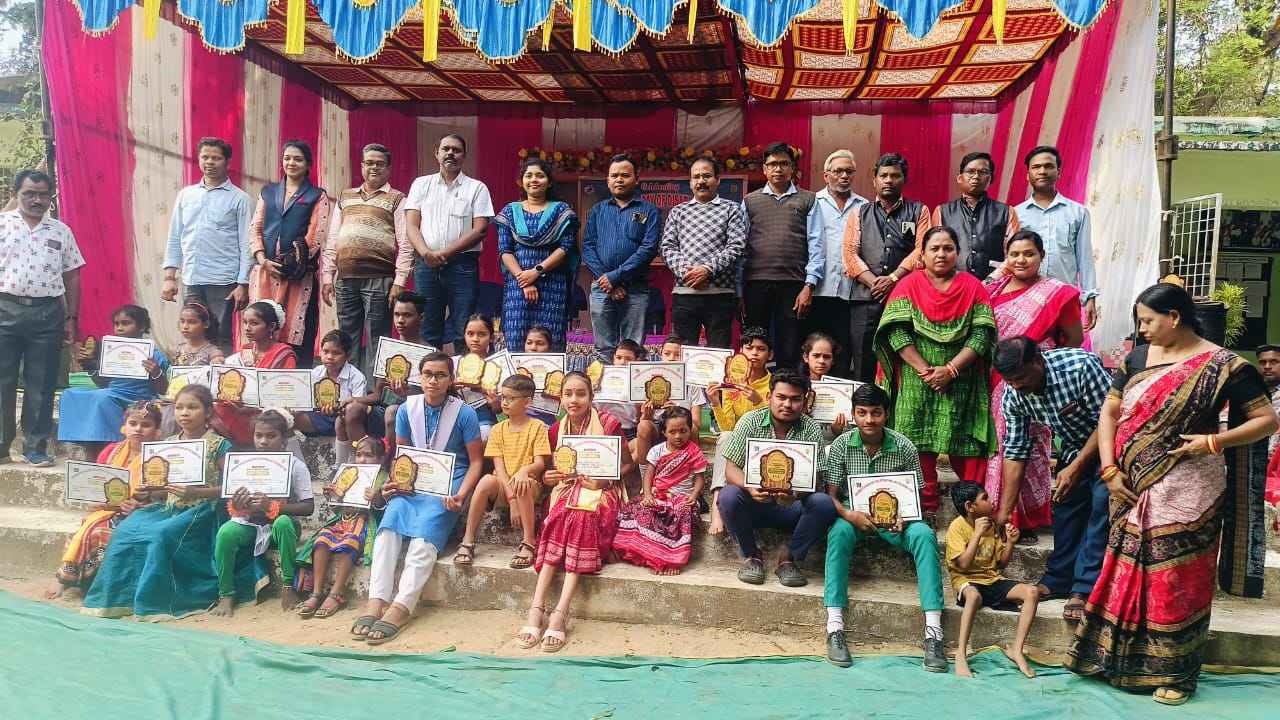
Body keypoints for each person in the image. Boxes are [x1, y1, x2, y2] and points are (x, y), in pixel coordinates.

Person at [1066, 283, 1277, 705]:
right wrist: (1108, 469)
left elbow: (1267, 420)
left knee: (1175, 577)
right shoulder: (1137, 358)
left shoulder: (1224, 366)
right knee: (1125, 570)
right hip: (1128, 483)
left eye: (1148, 321)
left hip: (1190, 487)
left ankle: (1175, 673)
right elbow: (1110, 412)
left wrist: (1213, 442)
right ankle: (1115, 659)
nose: (1141, 329)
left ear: (1175, 317)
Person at [352, 353, 484, 645]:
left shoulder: (464, 414)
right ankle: (376, 600)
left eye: (440, 375)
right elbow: (403, 456)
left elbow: (476, 461)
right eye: (428, 374)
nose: (433, 380)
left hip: (449, 482)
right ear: (419, 377)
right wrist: (395, 483)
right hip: (414, 482)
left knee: (423, 539)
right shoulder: (406, 410)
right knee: (388, 528)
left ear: (451, 380)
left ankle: (402, 606)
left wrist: (461, 494)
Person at [82, 385, 234, 620]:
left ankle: (155, 601)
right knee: (126, 530)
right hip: (167, 507)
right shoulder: (167, 444)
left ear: (208, 412)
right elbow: (162, 489)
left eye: (192, 407)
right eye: (179, 407)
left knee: (161, 535)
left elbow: (232, 488)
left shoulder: (219, 445)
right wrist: (148, 493)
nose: (184, 413)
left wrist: (198, 492)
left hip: (203, 510)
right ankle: (120, 600)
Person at [822, 383, 945, 671]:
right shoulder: (841, 445)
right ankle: (834, 626)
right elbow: (830, 495)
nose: (869, 420)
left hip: (897, 521)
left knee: (924, 535)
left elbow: (916, 495)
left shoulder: (904, 446)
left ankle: (934, 632)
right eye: (862, 413)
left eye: (876, 413)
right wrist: (849, 515)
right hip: (854, 517)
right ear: (853, 414)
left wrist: (908, 517)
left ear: (886, 414)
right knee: (838, 532)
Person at [873, 226, 995, 514]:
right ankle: (922, 507)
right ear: (923, 254)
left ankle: (974, 509)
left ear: (958, 253)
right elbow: (896, 332)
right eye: (935, 249)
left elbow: (982, 335)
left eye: (948, 248)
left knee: (966, 440)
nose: (941, 254)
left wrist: (951, 370)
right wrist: (927, 371)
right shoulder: (908, 285)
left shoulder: (973, 287)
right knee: (916, 440)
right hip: (916, 379)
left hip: (962, 379)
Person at [992, 338, 1111, 620]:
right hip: (1074, 447)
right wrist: (1005, 512)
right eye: (1010, 381)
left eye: (1021, 378)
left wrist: (1077, 467)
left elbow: (1111, 419)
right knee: (1065, 507)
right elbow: (1016, 452)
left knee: (1101, 503)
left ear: (1038, 361)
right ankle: (1058, 579)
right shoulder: (1014, 394)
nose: (1016, 386)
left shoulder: (1080, 367)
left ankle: (1084, 588)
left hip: (1113, 445)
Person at [516, 372, 635, 653]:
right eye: (568, 394)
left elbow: (628, 465)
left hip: (603, 491)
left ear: (591, 397)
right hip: (568, 490)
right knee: (562, 514)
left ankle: (560, 611)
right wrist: (548, 478)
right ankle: (536, 607)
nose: (574, 400)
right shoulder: (557, 429)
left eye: (580, 394)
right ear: (560, 397)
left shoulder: (608, 424)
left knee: (581, 516)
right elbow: (553, 471)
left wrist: (604, 481)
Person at [983, 230, 1084, 540]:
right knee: (1001, 445)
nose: (1021, 260)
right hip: (997, 377)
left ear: (1041, 256)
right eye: (1014, 254)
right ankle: (999, 511)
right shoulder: (994, 290)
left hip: (1036, 379)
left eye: (1029, 254)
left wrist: (1041, 365)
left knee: (1033, 444)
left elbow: (1075, 339)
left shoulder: (1057, 293)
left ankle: (1026, 518)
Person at [718, 370, 837, 587]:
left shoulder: (810, 428)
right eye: (781, 397)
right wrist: (750, 488)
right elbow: (731, 468)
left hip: (792, 507)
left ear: (805, 401)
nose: (787, 405)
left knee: (824, 503)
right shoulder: (750, 421)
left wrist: (795, 494)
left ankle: (788, 558)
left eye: (795, 399)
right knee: (728, 496)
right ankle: (752, 555)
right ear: (769, 397)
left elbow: (817, 478)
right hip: (755, 504)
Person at [0, 169, 83, 466]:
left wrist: (71, 317)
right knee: (2, 379)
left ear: (51, 197)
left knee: (43, 381)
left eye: (43, 195)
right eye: (29, 194)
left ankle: (35, 447)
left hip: (48, 313)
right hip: (4, 308)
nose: (37, 200)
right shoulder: (2, 224)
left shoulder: (61, 231)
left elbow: (72, 275)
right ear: (16, 194)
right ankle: (1, 445)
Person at [47, 401, 161, 599]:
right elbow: (97, 485)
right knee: (89, 527)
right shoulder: (111, 451)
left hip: (144, 511)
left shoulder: (160, 456)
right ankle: (68, 578)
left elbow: (163, 494)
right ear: (124, 427)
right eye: (133, 423)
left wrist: (140, 505)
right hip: (107, 509)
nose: (138, 429)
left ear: (157, 431)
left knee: (101, 530)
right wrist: (101, 501)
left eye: (146, 425)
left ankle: (95, 583)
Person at [321, 143, 412, 376]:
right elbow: (332, 239)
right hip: (345, 279)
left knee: (377, 338)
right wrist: (327, 276)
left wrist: (400, 281)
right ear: (362, 166)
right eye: (369, 163)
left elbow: (406, 243)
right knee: (346, 339)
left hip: (379, 279)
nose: (374, 167)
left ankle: (373, 391)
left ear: (388, 169)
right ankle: (347, 388)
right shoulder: (345, 197)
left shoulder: (397, 199)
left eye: (380, 164)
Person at [212, 410, 315, 616]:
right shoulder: (244, 465)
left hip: (282, 528)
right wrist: (237, 502)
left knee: (283, 522)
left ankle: (288, 586)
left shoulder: (295, 466)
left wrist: (272, 506)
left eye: (271, 436)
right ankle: (226, 594)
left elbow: (308, 506)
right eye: (258, 435)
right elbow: (233, 501)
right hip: (250, 525)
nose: (263, 441)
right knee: (225, 532)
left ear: (284, 439)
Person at [842, 153, 932, 382]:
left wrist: (892, 279)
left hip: (905, 297)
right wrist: (876, 284)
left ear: (904, 179)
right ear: (874, 180)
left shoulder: (919, 211)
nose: (889, 180)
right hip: (865, 298)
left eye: (895, 175)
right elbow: (850, 254)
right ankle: (863, 404)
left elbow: (922, 250)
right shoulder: (859, 212)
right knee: (862, 359)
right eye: (883, 175)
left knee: (902, 358)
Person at [405, 134, 494, 352]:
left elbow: (480, 229)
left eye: (456, 150)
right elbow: (411, 225)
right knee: (427, 327)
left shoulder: (476, 188)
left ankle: (466, 373)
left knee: (464, 327)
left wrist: (444, 253)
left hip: (462, 266)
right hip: (427, 265)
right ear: (436, 153)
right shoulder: (421, 185)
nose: (451, 153)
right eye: (446, 149)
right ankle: (430, 372)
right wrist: (426, 253)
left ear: (464, 156)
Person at [161, 137, 252, 349]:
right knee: (192, 332)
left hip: (224, 281)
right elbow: (175, 237)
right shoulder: (186, 195)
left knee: (220, 335)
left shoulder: (240, 199)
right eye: (205, 157)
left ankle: (222, 371)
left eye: (216, 158)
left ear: (227, 162)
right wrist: (169, 278)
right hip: (192, 278)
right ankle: (193, 371)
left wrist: (243, 284)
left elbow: (246, 244)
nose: (209, 162)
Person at [945, 481, 1040, 679]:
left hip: (991, 579)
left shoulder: (991, 525)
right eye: (985, 498)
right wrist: (977, 534)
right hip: (966, 580)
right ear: (970, 507)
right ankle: (961, 653)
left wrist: (1011, 543)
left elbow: (1000, 565)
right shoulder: (957, 527)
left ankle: (1016, 650)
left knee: (1032, 592)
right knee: (973, 596)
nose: (992, 501)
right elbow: (963, 565)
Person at [456, 374, 551, 571]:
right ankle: (468, 540)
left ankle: (528, 542)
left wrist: (524, 470)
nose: (505, 402)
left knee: (522, 482)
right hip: (504, 487)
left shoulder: (537, 427)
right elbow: (498, 468)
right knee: (485, 481)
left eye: (511, 398)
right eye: (503, 397)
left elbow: (539, 463)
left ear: (527, 402)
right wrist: (512, 500)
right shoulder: (498, 429)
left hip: (529, 487)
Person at [741, 142, 823, 368]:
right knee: (754, 346)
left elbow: (816, 244)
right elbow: (740, 245)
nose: (778, 169)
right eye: (772, 164)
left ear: (792, 168)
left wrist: (809, 285)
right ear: (764, 169)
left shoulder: (808, 199)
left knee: (790, 346)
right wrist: (740, 289)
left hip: (793, 285)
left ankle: (787, 389)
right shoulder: (750, 201)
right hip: (755, 283)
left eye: (784, 164)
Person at [248, 140, 330, 360]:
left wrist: (291, 264)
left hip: (297, 276)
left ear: (308, 164)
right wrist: (263, 260)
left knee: (297, 334)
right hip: (266, 272)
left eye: (298, 159)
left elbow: (316, 235)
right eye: (287, 158)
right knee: (262, 328)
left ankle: (295, 374)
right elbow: (255, 227)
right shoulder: (268, 192)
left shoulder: (317, 195)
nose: (291, 163)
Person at [295, 435, 387, 619]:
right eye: (359, 455)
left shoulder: (383, 478)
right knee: (322, 540)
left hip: (365, 522)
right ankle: (316, 592)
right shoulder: (348, 474)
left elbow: (385, 510)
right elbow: (337, 508)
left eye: (369, 455)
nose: (362, 460)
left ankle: (336, 593)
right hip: (342, 520)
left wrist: (377, 499)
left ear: (381, 459)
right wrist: (333, 496)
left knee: (349, 542)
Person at [58, 305, 170, 456]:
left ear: (142, 327)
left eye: (126, 323)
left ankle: (106, 444)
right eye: (116, 324)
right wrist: (90, 365)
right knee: (70, 394)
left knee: (103, 398)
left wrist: (156, 372)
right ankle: (83, 440)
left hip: (140, 396)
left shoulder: (153, 354)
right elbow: (103, 383)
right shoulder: (112, 352)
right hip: (114, 392)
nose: (120, 328)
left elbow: (164, 390)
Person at [495, 158, 580, 351]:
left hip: (552, 285)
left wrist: (536, 271)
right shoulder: (510, 211)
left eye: (540, 175)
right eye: (529, 175)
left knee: (551, 338)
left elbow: (566, 248)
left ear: (549, 182)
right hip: (518, 286)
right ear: (521, 181)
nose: (534, 179)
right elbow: (505, 250)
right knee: (517, 336)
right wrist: (524, 280)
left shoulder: (562, 211)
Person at [582, 155, 661, 360]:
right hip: (602, 287)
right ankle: (606, 381)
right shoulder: (597, 211)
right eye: (614, 175)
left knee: (632, 349)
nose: (619, 179)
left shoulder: (649, 211)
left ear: (636, 179)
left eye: (625, 175)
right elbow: (588, 247)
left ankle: (631, 382)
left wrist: (616, 277)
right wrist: (607, 281)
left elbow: (648, 249)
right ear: (608, 180)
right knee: (603, 348)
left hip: (636, 287)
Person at [661, 157, 746, 348]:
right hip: (685, 293)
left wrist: (707, 270)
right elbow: (667, 247)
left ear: (718, 180)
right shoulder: (678, 211)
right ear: (690, 182)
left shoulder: (731, 209)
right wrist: (689, 273)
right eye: (696, 177)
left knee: (718, 353)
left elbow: (737, 245)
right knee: (682, 351)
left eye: (706, 176)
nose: (701, 181)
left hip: (720, 294)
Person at [1014, 146, 1099, 332]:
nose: (1042, 171)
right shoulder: (1016, 214)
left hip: (1064, 297)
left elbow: (1084, 257)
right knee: (1026, 347)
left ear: (1058, 172)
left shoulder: (1078, 212)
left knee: (1064, 345)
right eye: (1036, 167)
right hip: (1026, 298)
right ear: (1027, 175)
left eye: (1048, 166)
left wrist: (1090, 297)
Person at [615, 406, 707, 575]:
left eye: (683, 431)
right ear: (664, 432)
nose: (678, 436)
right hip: (658, 493)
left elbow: (700, 478)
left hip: (682, 497)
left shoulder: (694, 452)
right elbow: (648, 476)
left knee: (680, 514)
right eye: (672, 432)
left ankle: (671, 559)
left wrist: (694, 496)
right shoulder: (656, 451)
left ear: (690, 430)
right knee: (642, 509)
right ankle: (646, 554)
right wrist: (647, 494)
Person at [705, 327, 773, 535]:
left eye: (761, 349)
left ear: (770, 355)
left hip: (764, 443)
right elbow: (727, 428)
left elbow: (775, 424)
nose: (754, 353)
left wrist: (759, 402)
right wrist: (715, 402)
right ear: (741, 351)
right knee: (726, 436)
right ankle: (717, 505)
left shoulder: (774, 384)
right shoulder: (731, 382)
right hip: (738, 446)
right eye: (749, 348)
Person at [342, 292, 426, 458]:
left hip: (412, 415)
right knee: (352, 410)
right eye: (397, 314)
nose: (400, 320)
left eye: (407, 315)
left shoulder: (430, 354)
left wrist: (406, 393)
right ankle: (365, 460)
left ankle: (388, 464)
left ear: (421, 318)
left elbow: (430, 398)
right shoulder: (387, 350)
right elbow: (378, 395)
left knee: (392, 412)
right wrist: (354, 399)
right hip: (382, 410)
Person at [807, 150, 867, 372]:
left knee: (842, 353)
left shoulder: (864, 206)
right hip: (817, 290)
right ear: (826, 175)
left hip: (850, 292)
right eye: (838, 171)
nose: (844, 176)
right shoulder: (812, 202)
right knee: (814, 353)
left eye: (849, 171)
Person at [212, 300, 298, 446]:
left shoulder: (283, 354)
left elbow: (286, 393)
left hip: (268, 410)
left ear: (271, 326)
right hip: (239, 409)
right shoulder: (244, 352)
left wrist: (253, 407)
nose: (247, 328)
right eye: (245, 322)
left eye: (254, 323)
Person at [930, 152, 1019, 280]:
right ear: (960, 178)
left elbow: (1015, 253)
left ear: (991, 179)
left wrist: (991, 281)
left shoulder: (1006, 212)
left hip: (995, 285)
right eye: (970, 171)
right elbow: (936, 252)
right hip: (952, 284)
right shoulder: (942, 211)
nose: (976, 176)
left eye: (983, 172)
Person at [293, 331, 366, 461]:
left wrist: (338, 410)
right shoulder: (315, 373)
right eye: (325, 352)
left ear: (348, 355)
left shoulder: (356, 377)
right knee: (289, 419)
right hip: (319, 419)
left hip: (343, 422)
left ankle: (344, 462)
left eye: (336, 353)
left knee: (343, 419)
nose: (330, 357)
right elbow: (305, 400)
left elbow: (358, 408)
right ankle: (297, 461)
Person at [451, 314, 501, 440]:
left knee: (485, 434)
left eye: (481, 334)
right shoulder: (453, 363)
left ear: (492, 338)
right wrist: (449, 387)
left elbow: (500, 410)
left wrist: (495, 403)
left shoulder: (498, 365)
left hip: (483, 418)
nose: (475, 339)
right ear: (464, 336)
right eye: (470, 334)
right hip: (453, 416)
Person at [800, 331, 850, 441]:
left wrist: (835, 430)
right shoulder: (795, 388)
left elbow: (849, 431)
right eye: (816, 356)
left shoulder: (844, 391)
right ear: (806, 357)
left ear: (833, 360)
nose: (821, 361)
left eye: (827, 357)